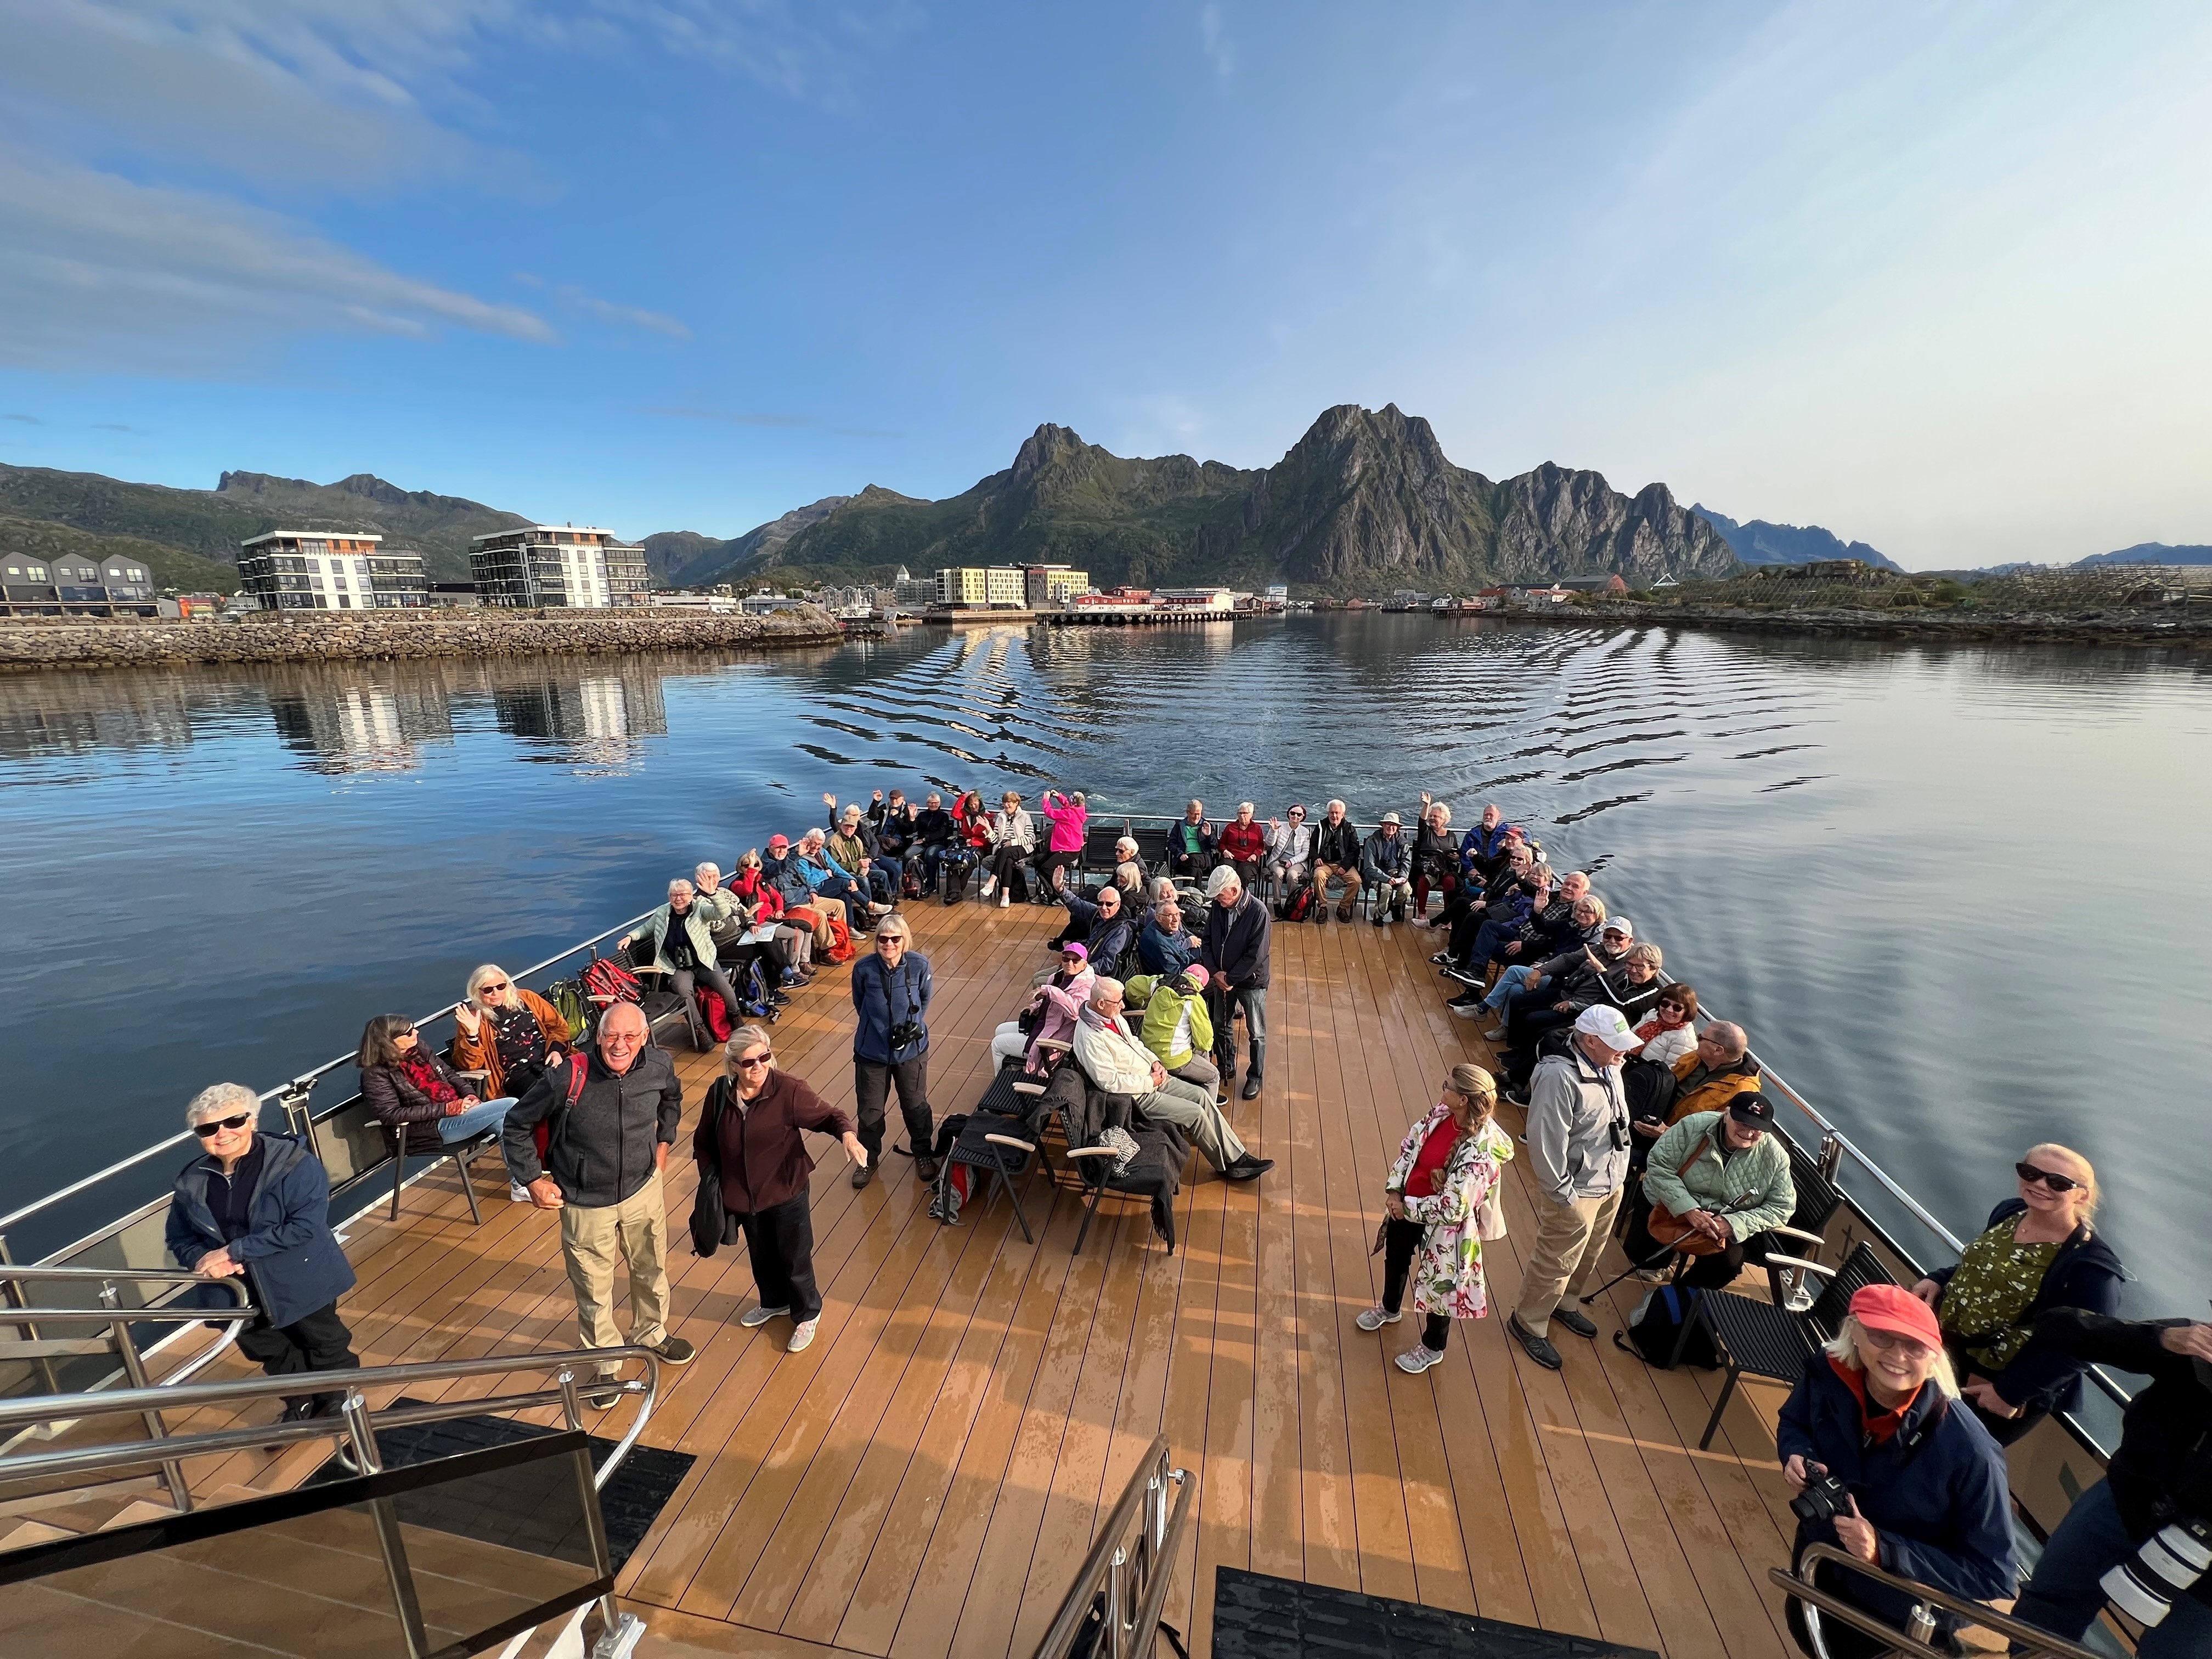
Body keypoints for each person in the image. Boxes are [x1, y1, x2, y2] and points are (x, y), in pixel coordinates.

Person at [1775, 1284, 2015, 1658]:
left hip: (1894, 1612)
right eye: (1882, 1337)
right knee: (1805, 1629)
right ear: (1854, 1331)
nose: (1897, 1356)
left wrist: (1883, 1549)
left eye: (1915, 1347)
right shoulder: (1827, 1371)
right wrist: (1796, 1453)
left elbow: (1992, 1574)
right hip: (1818, 1558)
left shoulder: (1972, 1452)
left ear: (1935, 1356)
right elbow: (1795, 1421)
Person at [501, 1002, 693, 1397]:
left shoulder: (658, 1065)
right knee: (593, 1288)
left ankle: (652, 1333)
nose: (619, 1045)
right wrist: (533, 1181)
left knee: (652, 1269)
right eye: (611, 1035)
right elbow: (516, 1124)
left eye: (629, 1037)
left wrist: (664, 1142)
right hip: (586, 1201)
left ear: (644, 1038)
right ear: (598, 1035)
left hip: (643, 1190)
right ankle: (606, 1364)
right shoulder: (567, 1076)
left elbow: (671, 1099)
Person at [2007, 1305, 2212, 1658]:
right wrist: (2162, 1339)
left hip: (2209, 1569)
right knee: (2045, 1610)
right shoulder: (2197, 1347)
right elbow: (2066, 1329)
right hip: (2127, 1501)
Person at [167, 1083, 359, 1425]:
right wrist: (203, 1260)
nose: (223, 1134)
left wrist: (234, 1251)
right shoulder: (192, 1180)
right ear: (198, 1135)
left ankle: (337, 1399)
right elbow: (179, 1236)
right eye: (209, 1129)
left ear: (253, 1121)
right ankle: (300, 1400)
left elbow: (304, 1226)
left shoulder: (294, 1164)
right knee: (265, 1346)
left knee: (321, 1339)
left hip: (296, 1274)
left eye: (234, 1122)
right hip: (236, 1287)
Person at [1909, 1146, 2124, 1443]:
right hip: (1947, 1351)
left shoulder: (2091, 1267)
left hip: (1997, 1383)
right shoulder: (2011, 1211)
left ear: (2082, 1195)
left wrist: (2010, 1393)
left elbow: (2086, 1347)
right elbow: (1981, 1266)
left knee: (1944, 1456)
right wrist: (1938, 1279)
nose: (2039, 1185)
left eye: (2058, 1183)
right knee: (1905, 1433)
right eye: (2030, 1173)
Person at [694, 1026, 866, 1356]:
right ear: (733, 1066)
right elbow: (703, 1143)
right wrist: (713, 1180)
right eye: (749, 1062)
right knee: (761, 1255)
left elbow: (830, 1116)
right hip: (745, 1197)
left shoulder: (788, 1090)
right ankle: (774, 1303)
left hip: (787, 1191)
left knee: (795, 1255)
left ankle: (806, 1314)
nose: (758, 1066)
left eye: (764, 1057)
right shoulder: (719, 1095)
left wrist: (848, 1135)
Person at [1507, 1005, 1640, 1370]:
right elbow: (1546, 1140)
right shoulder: (1558, 1077)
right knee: (1556, 1259)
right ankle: (1528, 1321)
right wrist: (1563, 1193)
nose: (1625, 1051)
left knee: (1591, 1251)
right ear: (1591, 1041)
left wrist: (1619, 1177)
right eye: (1617, 1044)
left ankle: (1566, 1303)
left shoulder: (1609, 1064)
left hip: (1611, 1180)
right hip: (1576, 1189)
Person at [1357, 1063, 1514, 1373]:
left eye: (1448, 1086)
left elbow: (1455, 1207)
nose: (1443, 1088)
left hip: (1446, 1230)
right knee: (1397, 1257)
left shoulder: (1480, 1150)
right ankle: (1390, 1308)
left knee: (1442, 1286)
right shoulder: (1441, 1114)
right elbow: (1409, 1149)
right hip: (1407, 1206)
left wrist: (1407, 1208)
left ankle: (1433, 1346)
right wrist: (1395, 1191)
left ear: (1463, 1099)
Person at [1073, 979, 1272, 1180]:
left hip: (1154, 1078)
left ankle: (1238, 1155)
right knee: (1195, 1114)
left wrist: (1155, 1061)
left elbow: (1135, 1043)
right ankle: (1228, 1166)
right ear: (1101, 1004)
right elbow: (1109, 1082)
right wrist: (1150, 1081)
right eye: (1119, 1002)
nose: (1123, 1006)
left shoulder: (1111, 1016)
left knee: (1202, 1095)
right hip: (1138, 1096)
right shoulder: (1090, 1037)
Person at [1626, 1093, 1797, 1294]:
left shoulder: (1776, 1157)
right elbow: (1659, 1166)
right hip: (1674, 1205)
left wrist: (1733, 1224)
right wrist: (1688, 1209)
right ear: (1726, 1115)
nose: (1749, 1133)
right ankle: (1660, 1262)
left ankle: (1673, 1298)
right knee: (1639, 1254)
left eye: (1757, 1128)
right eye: (1742, 1123)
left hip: (1726, 1220)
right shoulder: (1693, 1126)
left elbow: (1782, 1207)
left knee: (1728, 1265)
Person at [356, 1013, 517, 1159]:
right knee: (510, 1104)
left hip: (459, 1111)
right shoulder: (375, 1075)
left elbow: (449, 1074)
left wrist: (469, 1094)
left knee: (505, 1125)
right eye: (409, 1032)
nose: (416, 1033)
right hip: (428, 1131)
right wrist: (446, 1109)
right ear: (389, 1041)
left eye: (414, 1027)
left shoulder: (419, 1050)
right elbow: (391, 1115)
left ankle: (520, 1187)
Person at [850, 915, 934, 1187]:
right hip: (872, 1052)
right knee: (870, 1110)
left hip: (911, 1052)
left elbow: (923, 1000)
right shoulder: (863, 969)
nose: (889, 944)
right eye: (883, 939)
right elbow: (859, 1002)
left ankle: (923, 1153)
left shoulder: (920, 965)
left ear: (904, 940)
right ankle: (868, 1160)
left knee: (915, 1105)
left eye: (895, 939)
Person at [1455, 891, 1607, 1028]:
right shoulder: (1571, 925)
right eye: (1580, 910)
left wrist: (1545, 966)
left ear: (1598, 914)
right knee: (1516, 989)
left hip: (1562, 980)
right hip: (1549, 968)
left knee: (1513, 971)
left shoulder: (1594, 941)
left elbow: (1573, 964)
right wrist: (1538, 910)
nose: (1582, 914)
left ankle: (1483, 1008)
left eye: (1589, 912)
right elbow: (1544, 928)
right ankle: (1506, 1028)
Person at [625, 877, 746, 1029]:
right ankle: (699, 1029)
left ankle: (735, 1016)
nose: (678, 898)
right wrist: (631, 936)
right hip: (677, 966)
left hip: (703, 961)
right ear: (669, 897)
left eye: (683, 894)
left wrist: (713, 894)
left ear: (690, 896)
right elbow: (646, 929)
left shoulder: (700, 908)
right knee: (683, 992)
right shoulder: (662, 912)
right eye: (674, 895)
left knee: (723, 985)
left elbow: (723, 912)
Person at [451, 963, 571, 1106]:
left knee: (578, 1081)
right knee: (551, 1095)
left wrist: (555, 1050)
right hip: (516, 1074)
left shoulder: (528, 998)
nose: (496, 993)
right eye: (488, 990)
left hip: (548, 1057)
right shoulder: (473, 1018)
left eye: (501, 987)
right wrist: (472, 1034)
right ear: (477, 992)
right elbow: (470, 1065)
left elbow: (558, 1026)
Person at [1201, 865, 1271, 1100]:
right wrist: (1215, 972)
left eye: (1221, 896)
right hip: (1222, 978)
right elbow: (1208, 939)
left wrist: (1230, 978)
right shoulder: (1218, 906)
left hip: (1251, 982)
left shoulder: (1258, 913)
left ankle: (1255, 1077)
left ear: (1234, 890)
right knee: (1221, 1024)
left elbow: (1256, 955)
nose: (1218, 901)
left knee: (1257, 1033)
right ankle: (1226, 1067)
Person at [990, 941, 1095, 1070]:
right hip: (1044, 1025)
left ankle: (1004, 1081)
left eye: (1076, 960)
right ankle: (1016, 1073)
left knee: (997, 1044)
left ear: (1084, 964)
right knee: (1000, 1029)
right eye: (1066, 959)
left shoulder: (1086, 986)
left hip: (1052, 1039)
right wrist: (1035, 1006)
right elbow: (1052, 1004)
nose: (1070, 963)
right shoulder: (1059, 977)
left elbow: (1075, 1012)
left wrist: (1050, 990)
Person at [729, 850, 814, 987]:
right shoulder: (737, 885)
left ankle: (797, 967)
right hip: (756, 923)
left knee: (804, 928)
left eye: (756, 865)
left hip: (772, 919)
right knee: (795, 934)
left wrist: (779, 909)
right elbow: (747, 890)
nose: (753, 868)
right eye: (748, 866)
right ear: (741, 868)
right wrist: (751, 871)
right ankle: (792, 973)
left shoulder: (761, 882)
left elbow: (777, 897)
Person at [1131, 964, 1219, 1092]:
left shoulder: (1161, 982)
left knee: (1202, 1053)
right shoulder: (1194, 1000)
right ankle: (1208, 1108)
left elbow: (1132, 986)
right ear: (1201, 986)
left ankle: (1195, 1088)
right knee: (1213, 1076)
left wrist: (1137, 1003)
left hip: (1147, 1049)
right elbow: (1204, 1043)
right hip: (1173, 1059)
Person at [1665, 1021, 1762, 1124]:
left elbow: (1714, 1132)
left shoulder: (1742, 1092)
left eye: (1701, 1038)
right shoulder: (1698, 1057)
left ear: (1718, 1050)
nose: (1698, 1040)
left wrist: (1666, 1132)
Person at [827, 800, 898, 909]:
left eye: (852, 827)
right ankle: (870, 910)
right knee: (864, 880)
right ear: (842, 826)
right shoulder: (834, 842)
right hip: (846, 873)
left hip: (867, 862)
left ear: (856, 827)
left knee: (882, 874)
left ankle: (888, 903)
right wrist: (833, 809)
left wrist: (866, 861)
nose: (849, 829)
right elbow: (836, 866)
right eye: (846, 826)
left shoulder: (857, 839)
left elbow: (869, 848)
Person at [1053, 881, 1136, 970]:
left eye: (1109, 904)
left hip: (1090, 971)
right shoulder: (1098, 913)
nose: (1104, 908)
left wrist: (1083, 969)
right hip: (1082, 961)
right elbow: (1078, 904)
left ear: (1118, 904)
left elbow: (1108, 963)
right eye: (1100, 903)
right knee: (1039, 976)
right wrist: (1061, 890)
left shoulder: (1121, 931)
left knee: (1040, 980)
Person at [979, 791, 1035, 907]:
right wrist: (988, 829)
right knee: (1008, 861)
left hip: (1021, 847)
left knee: (1005, 852)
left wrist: (1013, 842)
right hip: (1004, 848)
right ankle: (1006, 897)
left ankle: (991, 882)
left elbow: (1031, 838)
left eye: (1009, 802)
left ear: (1017, 803)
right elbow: (995, 840)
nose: (1006, 805)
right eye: (1005, 803)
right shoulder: (1001, 817)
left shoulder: (1025, 816)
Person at [1311, 799, 1364, 922]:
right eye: (1332, 813)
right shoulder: (1320, 827)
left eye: (1337, 813)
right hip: (1325, 863)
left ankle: (1343, 908)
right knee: (1318, 876)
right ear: (1328, 813)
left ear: (1343, 814)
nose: (1334, 816)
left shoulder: (1350, 829)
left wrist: (1345, 867)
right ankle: (1323, 907)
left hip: (1343, 864)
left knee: (1356, 881)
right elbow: (1312, 846)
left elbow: (1354, 850)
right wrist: (1316, 858)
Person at [1628, 981, 1699, 1069]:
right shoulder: (1653, 1015)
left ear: (1687, 1011)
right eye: (1665, 1003)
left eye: (1677, 1008)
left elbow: (1670, 1072)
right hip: (1628, 1060)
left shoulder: (1684, 1039)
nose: (1669, 1010)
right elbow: (1630, 1036)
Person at [1360, 811, 1414, 925]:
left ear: (1398, 828)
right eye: (1388, 824)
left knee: (1407, 890)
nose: (1391, 827)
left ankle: (1396, 906)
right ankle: (1379, 914)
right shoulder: (1372, 841)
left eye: (1394, 825)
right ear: (1383, 826)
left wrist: (1403, 877)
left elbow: (1407, 861)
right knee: (1386, 889)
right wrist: (1386, 878)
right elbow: (1369, 866)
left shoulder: (1403, 842)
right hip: (1377, 875)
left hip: (1397, 875)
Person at [1410, 795, 1457, 919]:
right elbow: (1422, 821)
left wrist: (1456, 857)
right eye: (1431, 816)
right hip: (1427, 869)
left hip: (1445, 869)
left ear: (1444, 820)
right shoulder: (1425, 832)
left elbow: (1457, 854)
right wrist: (1426, 805)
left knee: (1450, 881)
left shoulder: (1451, 836)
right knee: (1424, 880)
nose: (1432, 818)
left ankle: (1448, 917)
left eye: (1435, 816)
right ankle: (1422, 914)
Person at [1036, 789, 1089, 898]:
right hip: (1067, 847)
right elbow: (1069, 804)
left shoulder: (1068, 814)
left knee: (1047, 868)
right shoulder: (1079, 811)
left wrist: (1046, 800)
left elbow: (1049, 812)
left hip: (1068, 850)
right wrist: (1059, 796)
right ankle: (1047, 890)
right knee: (1038, 861)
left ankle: (1059, 892)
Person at [1137, 894, 1203, 977]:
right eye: (1170, 916)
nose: (1176, 920)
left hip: (1185, 963)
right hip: (1174, 981)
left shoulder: (1160, 927)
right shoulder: (1159, 943)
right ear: (1159, 918)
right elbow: (1176, 975)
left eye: (1178, 914)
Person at [911, 792, 957, 895]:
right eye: (931, 803)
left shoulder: (943, 816)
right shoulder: (922, 815)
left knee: (930, 855)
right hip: (922, 843)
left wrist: (925, 839)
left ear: (940, 804)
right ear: (927, 804)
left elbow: (942, 833)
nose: (934, 805)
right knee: (907, 855)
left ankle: (931, 885)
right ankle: (910, 884)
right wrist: (913, 818)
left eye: (936, 803)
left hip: (938, 844)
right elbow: (914, 829)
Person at [1161, 799, 1216, 882]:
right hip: (1184, 860)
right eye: (1194, 814)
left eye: (1199, 814)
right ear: (1188, 812)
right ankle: (1196, 893)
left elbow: (1215, 845)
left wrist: (1209, 836)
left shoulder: (1206, 826)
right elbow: (1171, 843)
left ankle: (1188, 892)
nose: (1197, 817)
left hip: (1203, 860)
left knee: (1193, 859)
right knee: (1195, 870)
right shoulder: (1180, 826)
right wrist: (1180, 854)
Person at [1265, 804, 1316, 891]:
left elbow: (1305, 852)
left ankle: (1291, 902)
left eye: (1299, 814)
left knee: (1292, 875)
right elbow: (1270, 843)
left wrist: (1291, 862)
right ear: (1289, 814)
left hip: (1297, 862)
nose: (1295, 816)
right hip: (1278, 859)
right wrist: (1273, 831)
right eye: (1293, 813)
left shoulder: (1305, 832)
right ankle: (1276, 902)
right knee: (1278, 874)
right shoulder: (1280, 827)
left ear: (1303, 817)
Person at [1216, 803, 1268, 888]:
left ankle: (1240, 897)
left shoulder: (1257, 828)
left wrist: (1255, 855)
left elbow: (1260, 845)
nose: (1242, 815)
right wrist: (1225, 851)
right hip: (1231, 857)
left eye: (1245, 813)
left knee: (1244, 874)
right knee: (1225, 872)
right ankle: (1225, 896)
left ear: (1251, 815)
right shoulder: (1230, 827)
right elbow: (1221, 843)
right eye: (1240, 813)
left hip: (1249, 860)